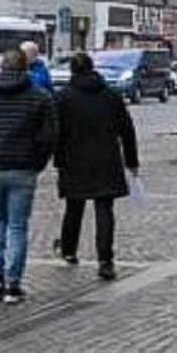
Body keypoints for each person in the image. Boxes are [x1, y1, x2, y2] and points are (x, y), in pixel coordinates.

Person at [0, 47, 58, 304]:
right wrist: (38, 162)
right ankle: (12, 283)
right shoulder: (39, 97)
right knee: (17, 225)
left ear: (1, 68)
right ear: (26, 68)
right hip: (23, 168)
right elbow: (49, 136)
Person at [52, 52, 139, 281]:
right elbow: (127, 130)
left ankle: (69, 250)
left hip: (74, 160)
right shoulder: (110, 95)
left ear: (72, 71)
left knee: (74, 207)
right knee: (104, 210)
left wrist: (57, 160)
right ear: (93, 69)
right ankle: (105, 260)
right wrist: (132, 161)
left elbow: (55, 134)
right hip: (106, 159)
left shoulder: (63, 98)